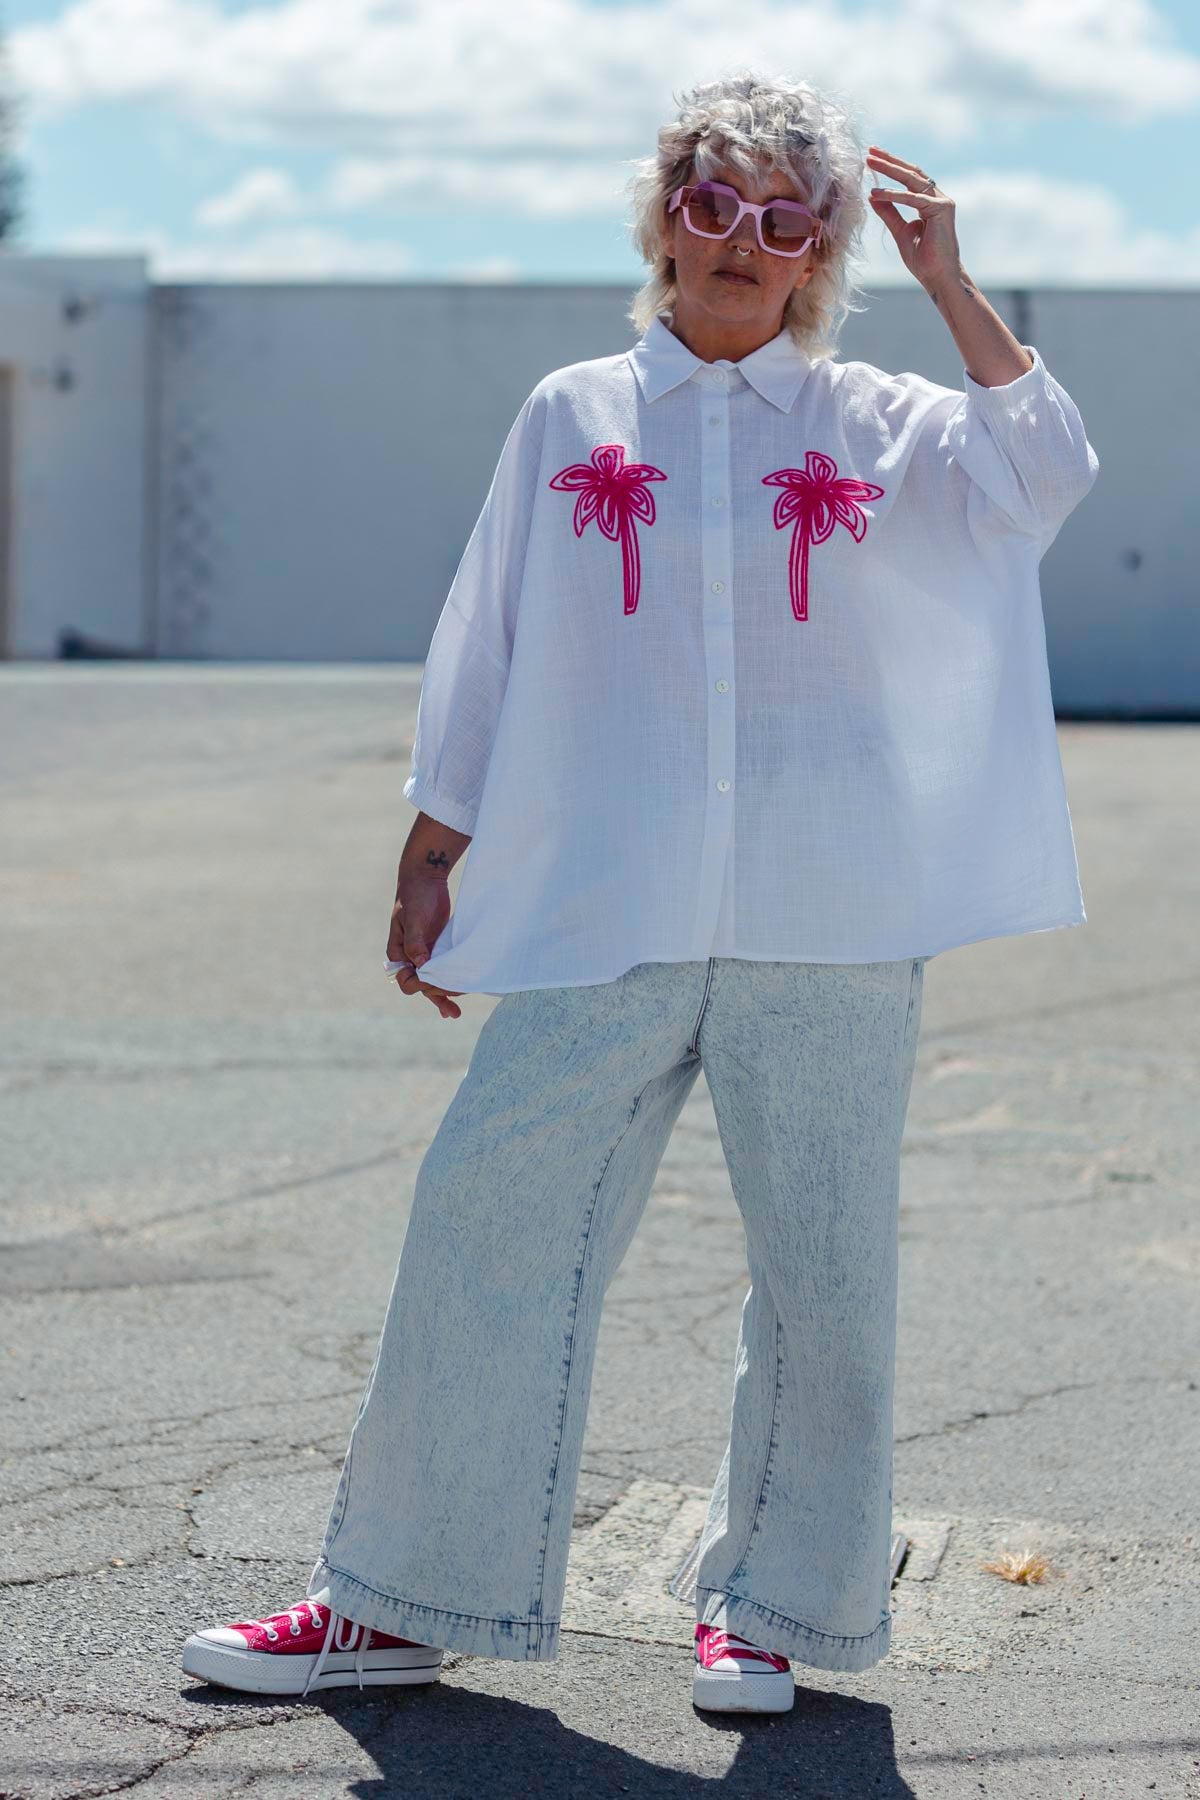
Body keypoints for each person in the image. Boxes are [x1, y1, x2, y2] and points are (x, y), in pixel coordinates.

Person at [182, 69, 1099, 1716]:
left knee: (824, 1277)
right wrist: (434, 846)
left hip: (829, 916)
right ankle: (397, 1599)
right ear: (664, 219)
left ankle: (777, 1613)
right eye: (712, 201)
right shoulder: (573, 414)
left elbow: (1044, 473)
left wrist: (953, 281)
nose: (744, 238)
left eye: (786, 217)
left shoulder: (879, 420)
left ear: (822, 253)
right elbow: (491, 630)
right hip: (606, 904)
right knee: (484, 1222)